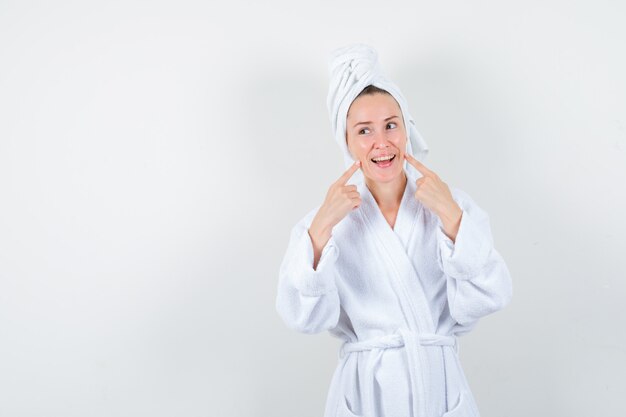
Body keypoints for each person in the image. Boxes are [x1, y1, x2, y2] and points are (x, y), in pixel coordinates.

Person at [275, 44, 512, 417]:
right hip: (366, 393)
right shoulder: (323, 223)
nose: (381, 142)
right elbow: (303, 318)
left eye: (391, 125)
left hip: (439, 387)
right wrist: (321, 227)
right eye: (364, 130)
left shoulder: (453, 206)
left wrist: (451, 217)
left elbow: (488, 298)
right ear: (347, 142)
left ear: (406, 129)